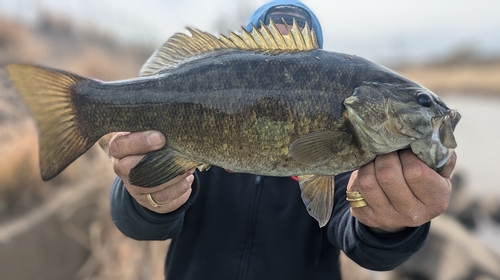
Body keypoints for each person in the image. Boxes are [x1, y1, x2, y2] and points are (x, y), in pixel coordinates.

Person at [109, 1, 456, 279]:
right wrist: (145, 197)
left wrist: (392, 228)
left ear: (316, 63)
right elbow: (138, 222)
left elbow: (364, 245)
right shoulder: (197, 155)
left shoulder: (352, 167)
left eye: (295, 58)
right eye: (267, 46)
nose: (281, 62)